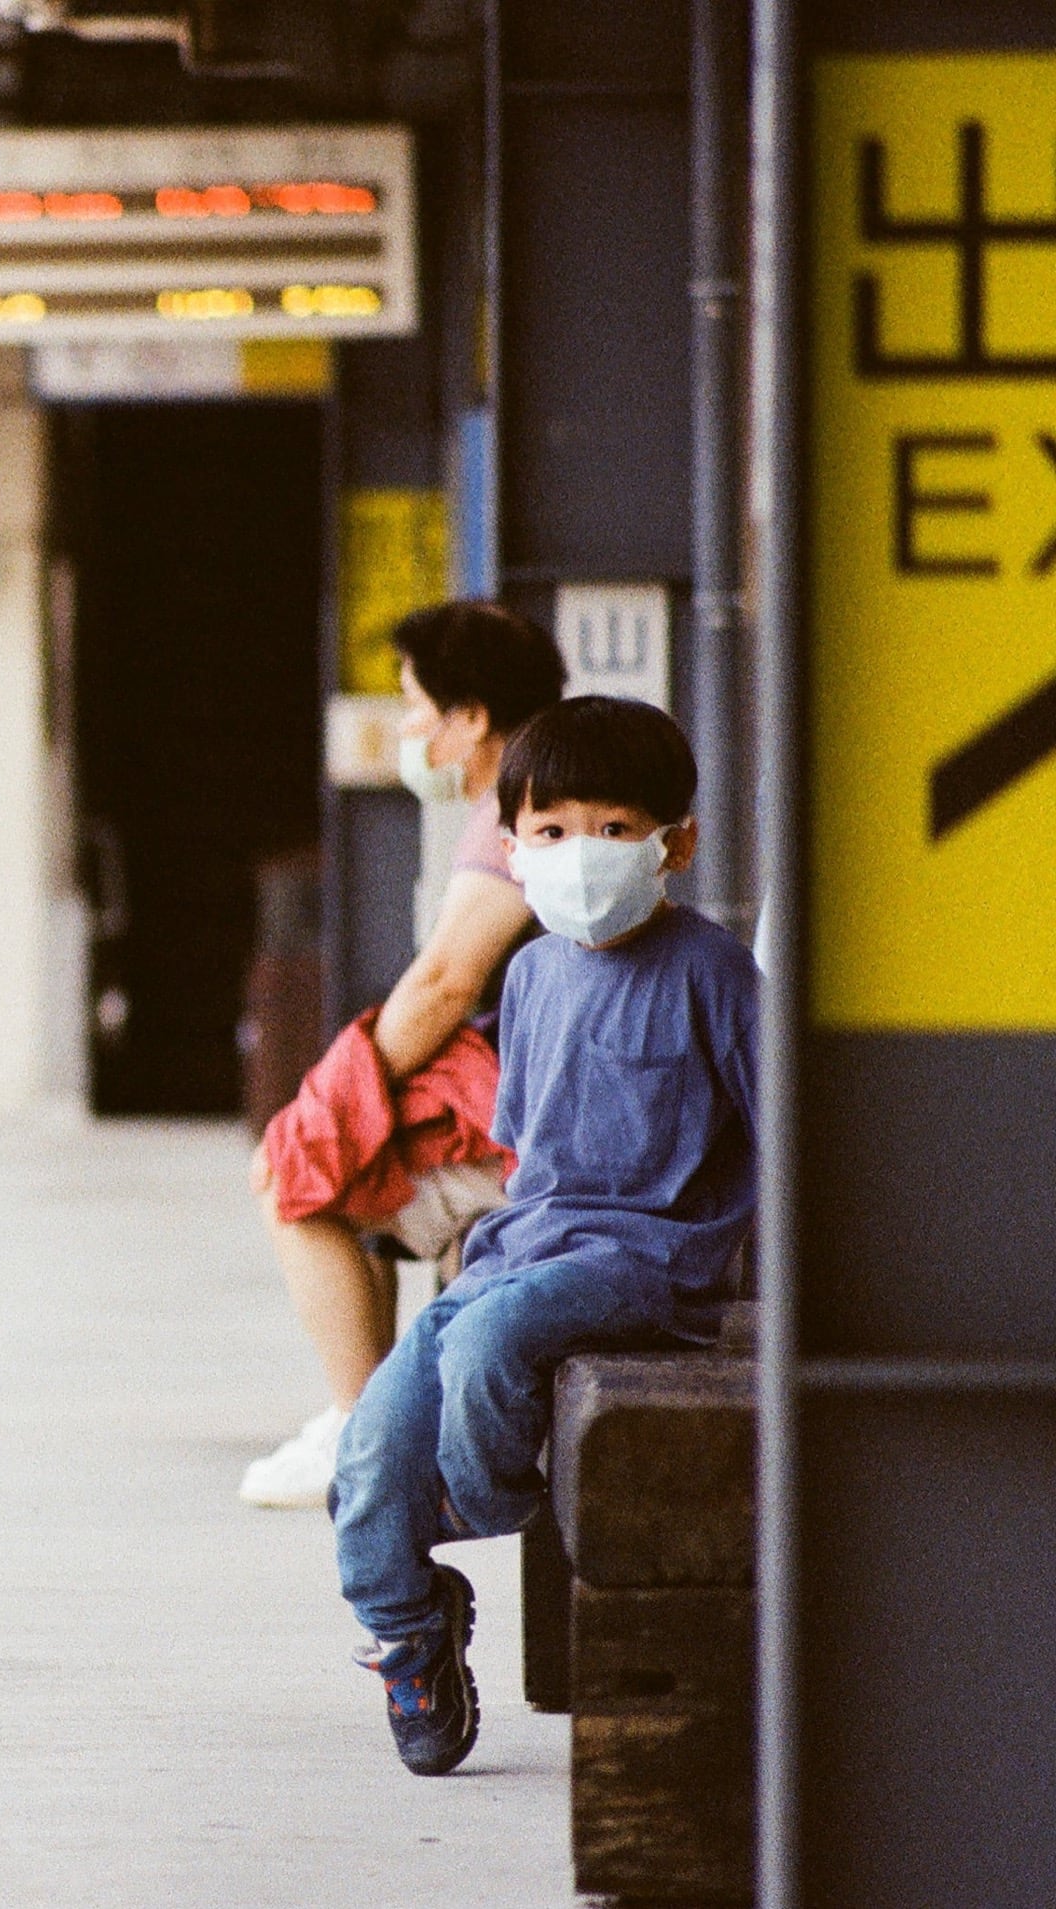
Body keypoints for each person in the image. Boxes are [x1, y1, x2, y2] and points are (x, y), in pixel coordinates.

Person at [331, 696, 758, 1776]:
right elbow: (527, 1146)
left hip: (649, 1260)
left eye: (614, 829)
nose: (582, 854)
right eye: (553, 830)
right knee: (369, 1445)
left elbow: (790, 1133)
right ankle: (411, 1629)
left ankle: (494, 1502)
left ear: (675, 844)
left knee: (489, 1346)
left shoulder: (711, 972)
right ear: (513, 848)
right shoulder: (528, 974)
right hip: (522, 1249)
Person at [240, 601, 566, 1508]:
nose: (410, 729)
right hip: (539, 1116)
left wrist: (342, 1089)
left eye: (418, 705)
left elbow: (446, 981)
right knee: (332, 1154)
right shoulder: (539, 788)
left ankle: (364, 1433)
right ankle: (372, 1414)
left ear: (472, 717)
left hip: (534, 1151)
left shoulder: (521, 804)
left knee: (294, 1170)